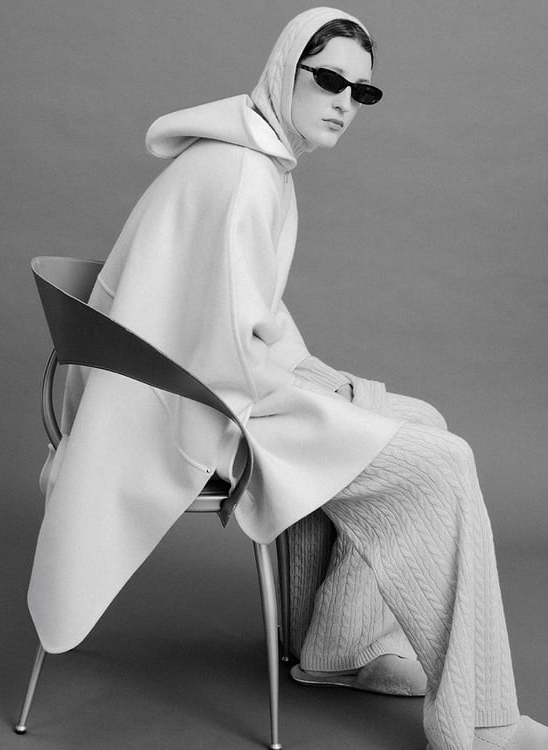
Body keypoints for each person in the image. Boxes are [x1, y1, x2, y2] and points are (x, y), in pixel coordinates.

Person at [28, 7, 548, 750]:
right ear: (286, 72)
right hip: (194, 412)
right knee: (445, 461)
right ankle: (481, 720)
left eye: (362, 92)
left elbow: (248, 319)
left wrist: (325, 383)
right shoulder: (244, 174)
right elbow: (228, 357)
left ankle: (339, 649)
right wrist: (318, 394)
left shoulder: (255, 157)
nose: (344, 103)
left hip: (194, 386)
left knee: (419, 420)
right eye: (329, 80)